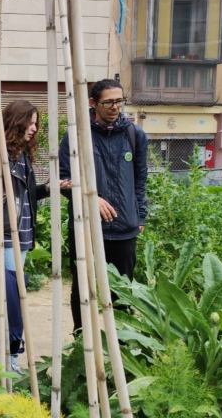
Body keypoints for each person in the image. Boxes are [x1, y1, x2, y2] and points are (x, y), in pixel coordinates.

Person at [0, 100, 70, 371]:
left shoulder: (22, 158)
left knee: (6, 296)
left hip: (24, 235)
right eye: (30, 122)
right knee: (9, 299)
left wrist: (50, 187)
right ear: (15, 123)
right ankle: (6, 359)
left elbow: (27, 196)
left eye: (36, 123)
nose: (34, 128)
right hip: (7, 236)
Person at [58, 79, 148, 332]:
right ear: (93, 103)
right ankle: (82, 341)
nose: (115, 107)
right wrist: (91, 197)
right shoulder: (77, 135)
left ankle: (121, 345)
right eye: (108, 102)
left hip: (124, 228)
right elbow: (64, 179)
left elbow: (141, 179)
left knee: (122, 292)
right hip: (86, 226)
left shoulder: (134, 135)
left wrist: (140, 217)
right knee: (83, 289)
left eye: (119, 101)